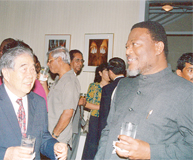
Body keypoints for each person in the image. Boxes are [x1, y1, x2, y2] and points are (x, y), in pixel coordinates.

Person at [95, 21, 193, 160]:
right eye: (127, 46)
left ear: (158, 47)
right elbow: (108, 132)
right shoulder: (123, 86)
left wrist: (151, 152)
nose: (128, 51)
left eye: (135, 44)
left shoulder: (185, 92)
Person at [0, 40, 67, 160]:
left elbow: (43, 137)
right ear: (6, 73)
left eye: (33, 69)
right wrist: (6, 154)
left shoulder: (38, 102)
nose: (30, 75)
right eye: (24, 69)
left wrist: (54, 147)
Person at [47, 47, 81, 150]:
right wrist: (44, 83)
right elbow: (49, 100)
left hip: (57, 138)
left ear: (59, 60)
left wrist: (54, 135)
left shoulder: (70, 81)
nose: (48, 64)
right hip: (49, 135)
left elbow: (68, 113)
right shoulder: (59, 78)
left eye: (50, 61)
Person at [82, 63, 110, 160]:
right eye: (106, 71)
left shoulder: (113, 87)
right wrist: (102, 107)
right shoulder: (94, 86)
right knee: (91, 146)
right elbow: (86, 103)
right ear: (100, 73)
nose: (109, 73)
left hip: (107, 120)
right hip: (95, 119)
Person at [97, 57, 126, 142]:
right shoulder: (131, 86)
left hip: (111, 130)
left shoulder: (107, 89)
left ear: (110, 72)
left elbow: (104, 115)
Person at [68, 49, 85, 159]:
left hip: (75, 123)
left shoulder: (73, 78)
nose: (80, 63)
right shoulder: (66, 77)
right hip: (69, 125)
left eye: (82, 61)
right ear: (70, 61)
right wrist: (78, 101)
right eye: (77, 60)